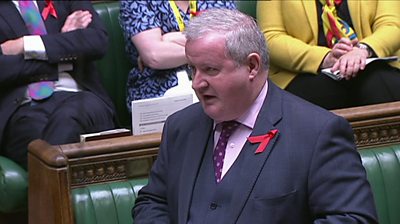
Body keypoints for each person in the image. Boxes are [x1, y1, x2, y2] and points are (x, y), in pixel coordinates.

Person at [132, 8, 378, 223]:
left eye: (210, 70)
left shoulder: (317, 133)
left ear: (252, 66)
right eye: (192, 69)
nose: (197, 83)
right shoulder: (181, 126)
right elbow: (153, 202)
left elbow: (352, 218)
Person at [0, 0, 116, 169]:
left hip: (81, 99)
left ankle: (46, 189)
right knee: (44, 137)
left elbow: (96, 41)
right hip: (23, 110)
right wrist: (63, 51)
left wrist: (25, 44)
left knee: (68, 118)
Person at [258, 0, 400, 110]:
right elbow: (271, 37)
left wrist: (362, 50)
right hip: (305, 73)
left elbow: (392, 25)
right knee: (322, 94)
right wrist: (325, 58)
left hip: (370, 63)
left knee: (379, 84)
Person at [119, 0, 236, 110]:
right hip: (159, 91)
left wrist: (168, 39)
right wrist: (212, 50)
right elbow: (154, 56)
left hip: (216, 85)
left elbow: (232, 42)